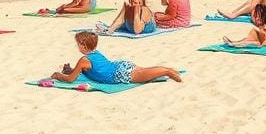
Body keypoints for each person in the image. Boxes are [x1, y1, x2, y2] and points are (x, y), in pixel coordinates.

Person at [51, 31, 181, 85]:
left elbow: (71, 79)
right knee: (143, 71)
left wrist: (58, 75)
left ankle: (167, 71)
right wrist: (70, 69)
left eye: (78, 44)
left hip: (118, 74)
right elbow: (87, 70)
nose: (77, 46)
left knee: (142, 74)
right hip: (120, 66)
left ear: (83, 46)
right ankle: (168, 69)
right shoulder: (96, 53)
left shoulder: (84, 60)